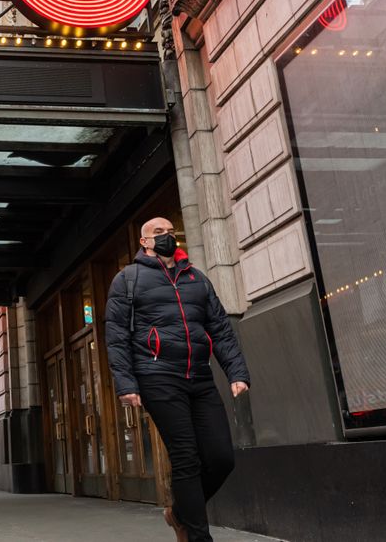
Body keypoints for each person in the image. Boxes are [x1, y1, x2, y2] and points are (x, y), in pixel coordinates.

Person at [105, 217, 250, 542]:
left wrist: (236, 372)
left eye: (170, 232)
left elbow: (220, 329)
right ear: (144, 242)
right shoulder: (127, 280)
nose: (167, 237)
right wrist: (126, 384)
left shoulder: (197, 279)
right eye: (158, 233)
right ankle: (198, 537)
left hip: (199, 377)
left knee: (221, 458)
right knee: (186, 457)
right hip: (157, 376)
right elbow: (115, 336)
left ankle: (181, 513)